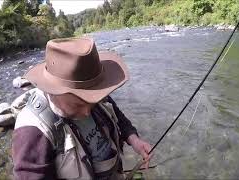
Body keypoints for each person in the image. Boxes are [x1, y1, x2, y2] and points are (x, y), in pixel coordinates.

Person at [12, 37, 152, 179]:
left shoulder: (93, 93)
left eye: (91, 102)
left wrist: (135, 140)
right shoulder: (32, 132)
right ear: (53, 91)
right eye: (77, 104)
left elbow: (117, 116)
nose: (86, 111)